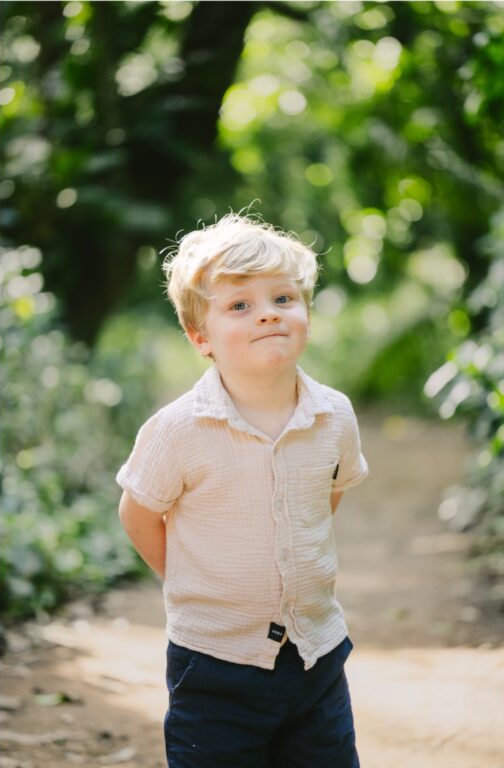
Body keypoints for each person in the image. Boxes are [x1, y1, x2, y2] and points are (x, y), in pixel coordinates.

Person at [116, 213, 368, 767]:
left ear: (305, 312)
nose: (268, 315)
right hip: (213, 664)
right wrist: (188, 575)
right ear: (200, 336)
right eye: (239, 306)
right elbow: (137, 514)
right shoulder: (179, 429)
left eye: (283, 298)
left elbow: (327, 497)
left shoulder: (335, 417)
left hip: (316, 657)